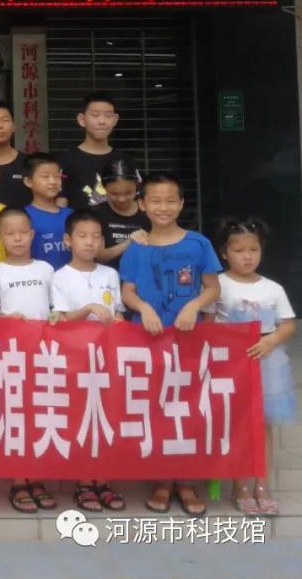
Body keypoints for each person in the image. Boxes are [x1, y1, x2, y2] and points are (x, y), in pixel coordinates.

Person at [119, 173, 221, 517]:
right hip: (147, 341)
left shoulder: (198, 244)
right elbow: (127, 292)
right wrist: (144, 308)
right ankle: (161, 481)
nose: (163, 207)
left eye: (170, 201)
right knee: (156, 409)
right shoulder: (136, 247)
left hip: (189, 342)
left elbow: (212, 287)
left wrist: (194, 306)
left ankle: (187, 483)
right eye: (155, 201)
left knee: (188, 411)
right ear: (142, 205)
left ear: (181, 204)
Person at [208, 217, 296, 517]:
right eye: (239, 250)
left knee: (263, 425)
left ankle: (262, 484)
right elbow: (208, 324)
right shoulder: (217, 285)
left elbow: (287, 324)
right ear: (224, 253)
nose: (247, 256)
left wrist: (271, 341)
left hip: (267, 361)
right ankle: (240, 485)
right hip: (230, 364)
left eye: (253, 250)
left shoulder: (273, 288)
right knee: (236, 424)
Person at [50, 209, 126, 514]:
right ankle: (83, 481)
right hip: (76, 360)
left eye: (96, 236)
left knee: (106, 419)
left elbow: (118, 311)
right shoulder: (59, 277)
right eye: (82, 236)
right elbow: (60, 318)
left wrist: (117, 320)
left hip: (106, 359)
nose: (90, 242)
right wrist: (88, 309)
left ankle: (103, 479)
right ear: (68, 240)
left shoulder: (110, 275)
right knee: (81, 419)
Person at [0, 206, 57, 514]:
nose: (17, 238)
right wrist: (6, 319)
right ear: (0, 238)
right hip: (11, 356)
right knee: (15, 417)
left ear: (32, 234)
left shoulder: (46, 270)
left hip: (44, 356)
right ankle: (18, 480)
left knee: (40, 415)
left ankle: (36, 477)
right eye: (10, 233)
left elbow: (56, 309)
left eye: (22, 232)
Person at [56, 92, 134, 209]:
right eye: (95, 115)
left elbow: (134, 202)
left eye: (108, 116)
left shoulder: (124, 160)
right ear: (82, 119)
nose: (102, 121)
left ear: (115, 120)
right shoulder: (65, 160)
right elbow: (60, 204)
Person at [95, 158, 149, 268]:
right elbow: (98, 256)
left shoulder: (148, 213)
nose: (122, 199)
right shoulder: (96, 214)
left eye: (128, 193)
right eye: (114, 194)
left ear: (137, 185)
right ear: (104, 188)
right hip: (108, 277)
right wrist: (130, 242)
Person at [23, 152, 72, 270]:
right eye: (45, 176)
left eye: (57, 176)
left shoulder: (72, 215)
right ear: (28, 181)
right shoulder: (23, 217)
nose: (53, 181)